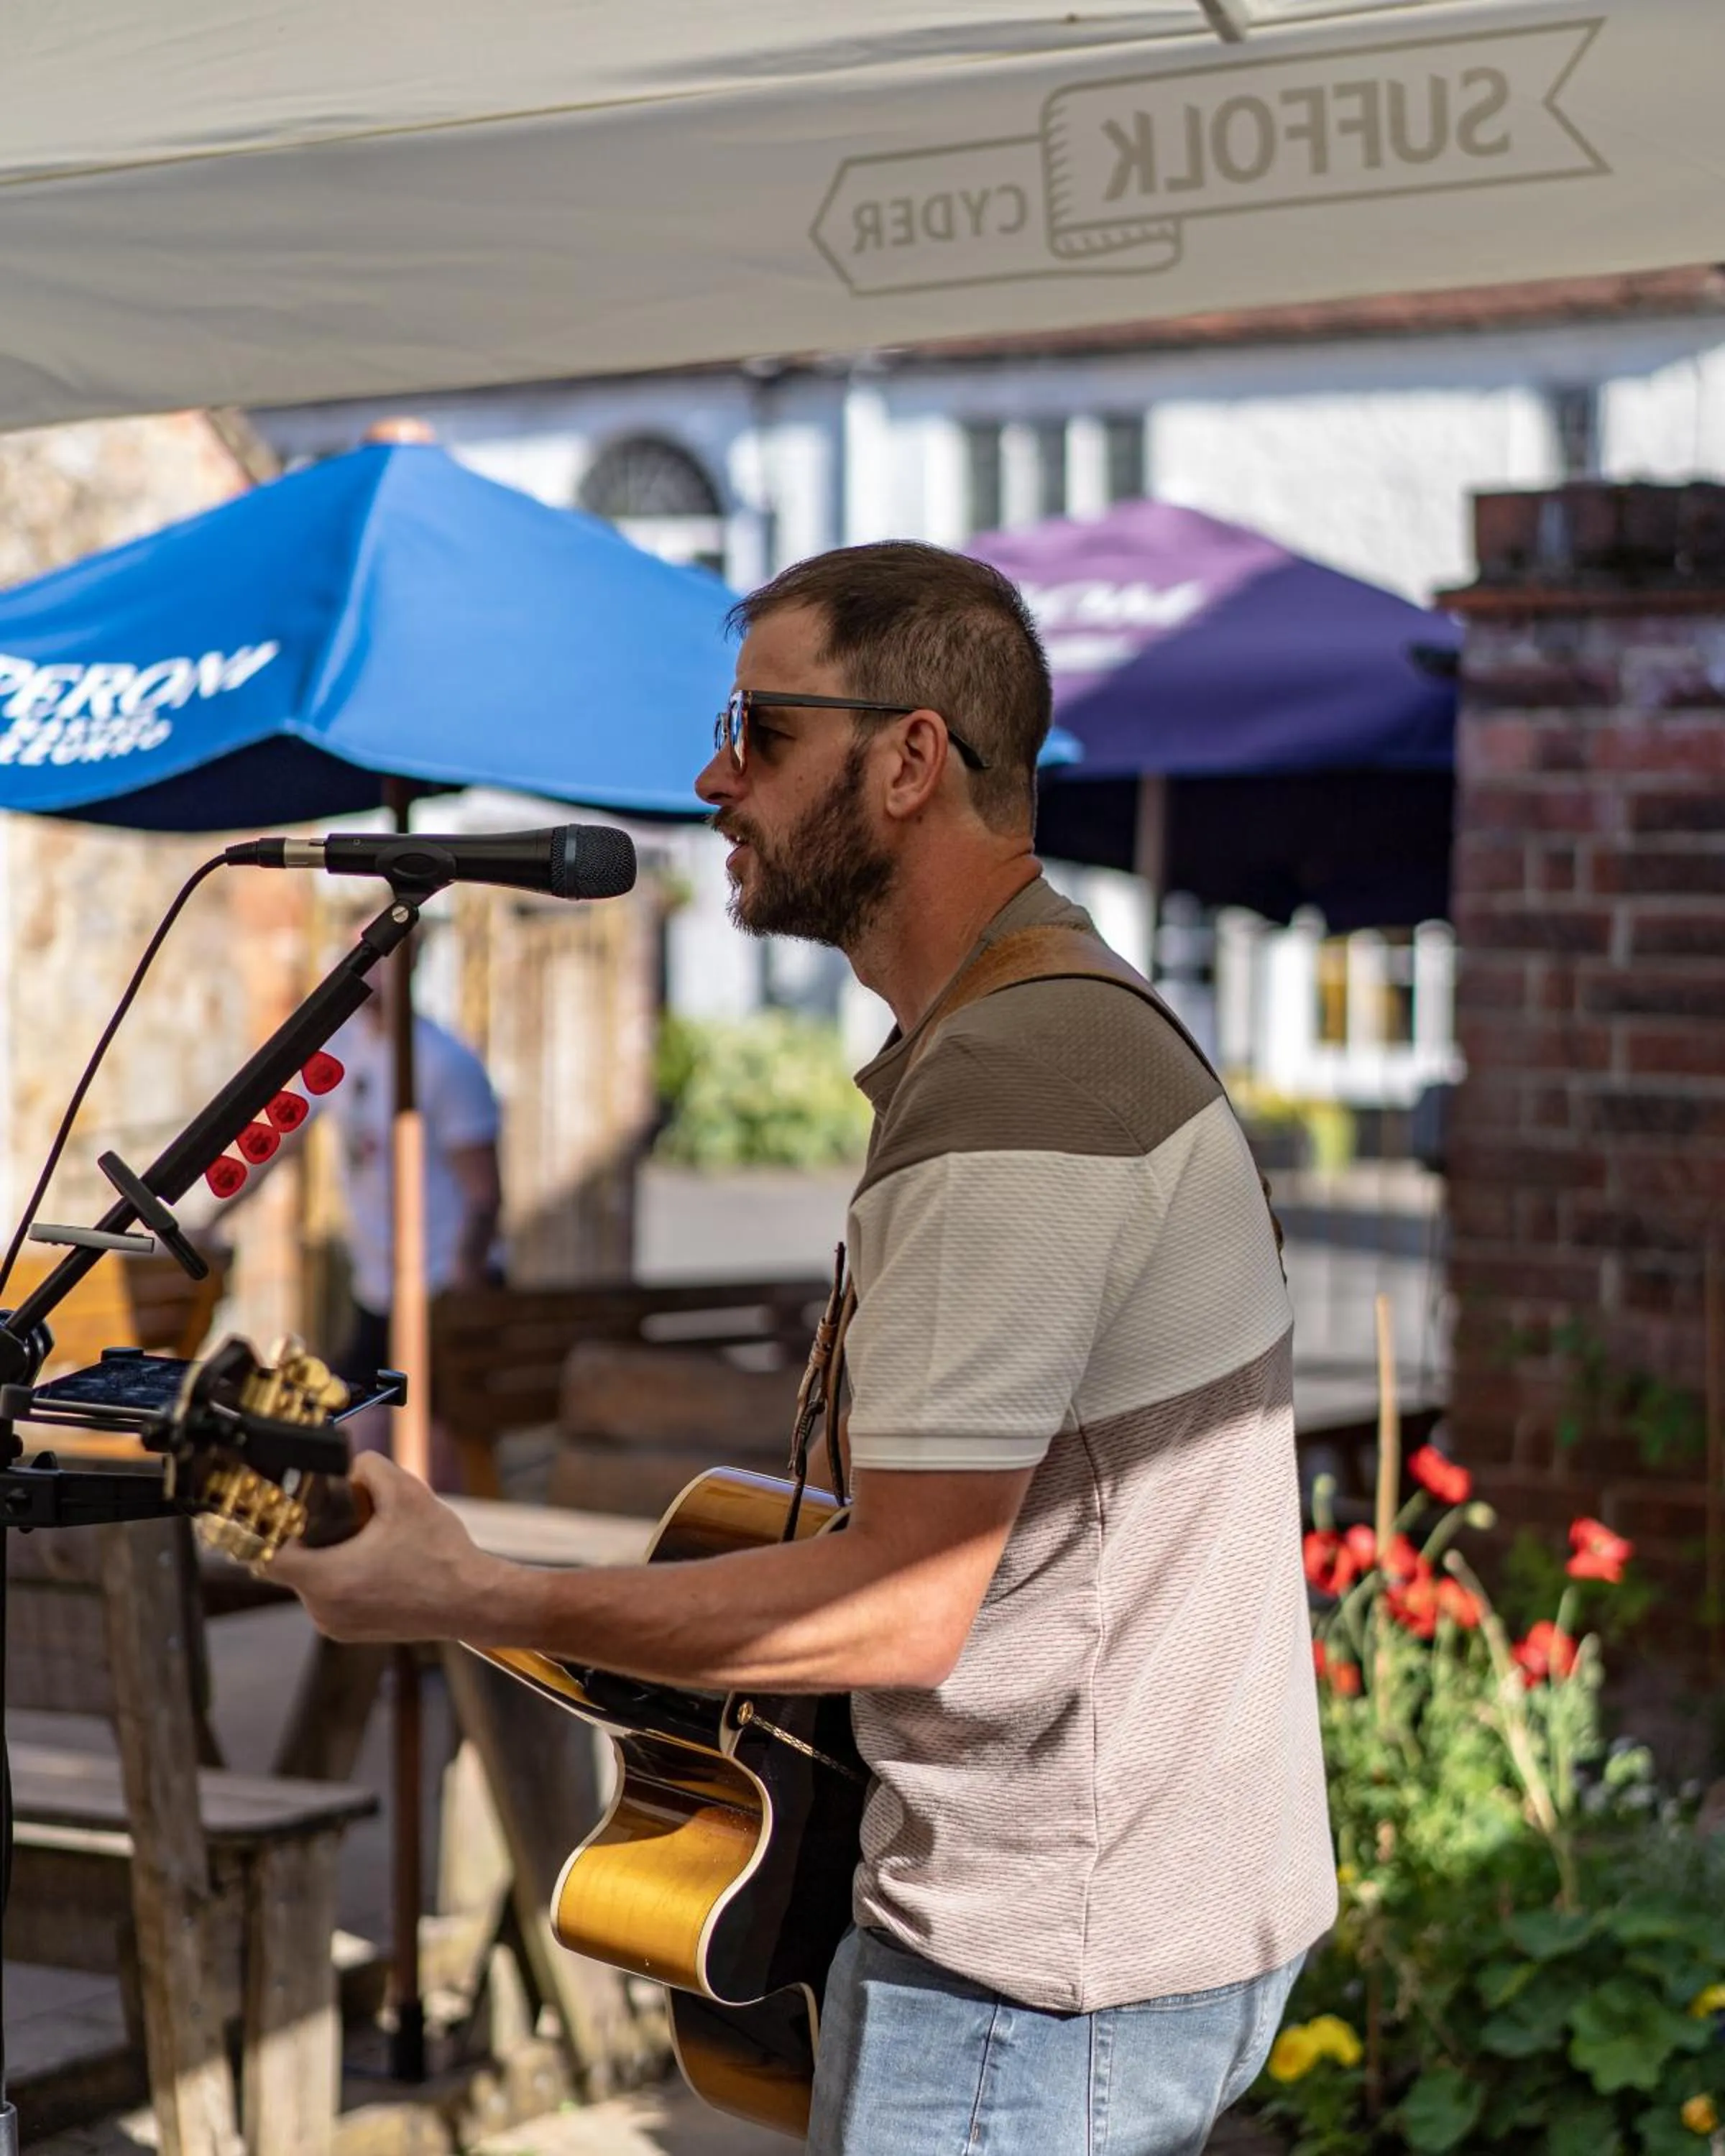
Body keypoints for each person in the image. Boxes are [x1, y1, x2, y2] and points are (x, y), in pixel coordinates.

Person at [274, 541, 1335, 2155]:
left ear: (912, 757)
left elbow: (906, 1604)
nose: (712, 779)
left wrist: (468, 1592)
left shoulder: (1019, 1087)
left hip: (1033, 1966)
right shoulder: (1027, 1030)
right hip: (1108, 1931)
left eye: (762, 733)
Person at [324, 987, 502, 1418]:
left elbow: (484, 1193)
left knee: (441, 1448)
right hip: (378, 1286)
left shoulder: (444, 1063)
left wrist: (464, 1279)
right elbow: (279, 1136)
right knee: (353, 1431)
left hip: (440, 1284)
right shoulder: (342, 1049)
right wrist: (213, 1212)